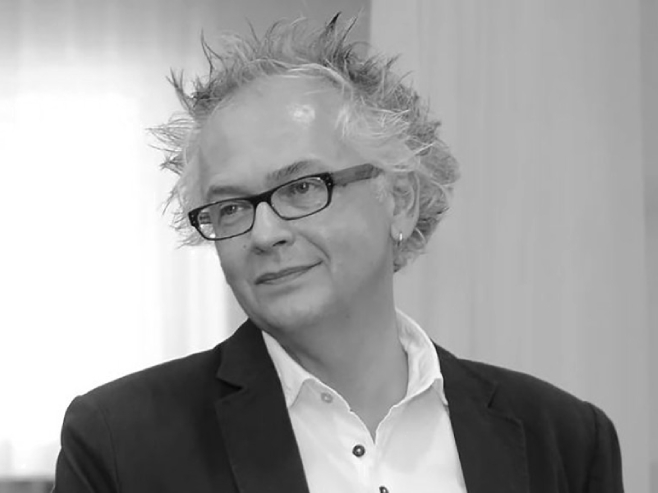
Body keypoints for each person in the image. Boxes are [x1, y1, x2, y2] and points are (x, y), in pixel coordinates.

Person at [53, 15, 624, 493]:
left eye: (302, 188)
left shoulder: (563, 439)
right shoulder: (120, 444)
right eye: (230, 208)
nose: (264, 233)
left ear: (399, 200)